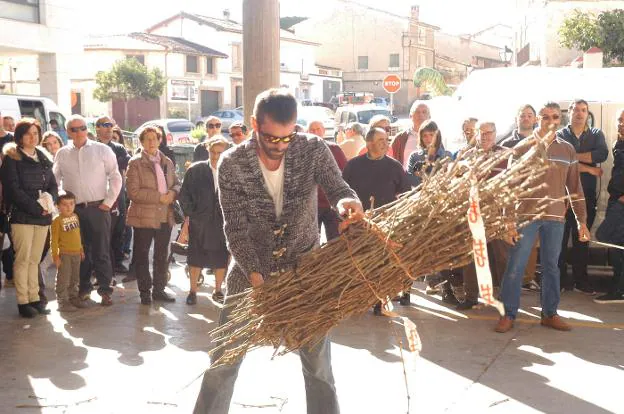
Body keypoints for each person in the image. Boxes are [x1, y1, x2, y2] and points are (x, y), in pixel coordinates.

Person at [193, 88, 362, 414]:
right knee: (222, 362)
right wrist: (258, 277)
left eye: (288, 137)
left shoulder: (313, 150)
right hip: (248, 273)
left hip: (305, 272)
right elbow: (235, 230)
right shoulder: (232, 162)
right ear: (254, 124)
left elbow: (338, 188)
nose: (280, 147)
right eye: (271, 138)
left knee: (319, 368)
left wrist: (347, 203)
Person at [496, 102, 589, 334]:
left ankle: (550, 314)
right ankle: (508, 314)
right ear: (538, 119)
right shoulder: (522, 148)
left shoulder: (567, 150)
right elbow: (508, 186)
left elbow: (575, 188)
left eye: (555, 117)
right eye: (545, 116)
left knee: (551, 267)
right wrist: (507, 220)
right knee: (516, 266)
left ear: (560, 120)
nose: (550, 121)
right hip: (526, 216)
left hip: (555, 218)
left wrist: (582, 221)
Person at [53, 114, 122, 306]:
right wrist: (62, 201)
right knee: (77, 251)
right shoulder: (62, 153)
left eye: (82, 128)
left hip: (98, 208)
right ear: (68, 132)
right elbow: (55, 179)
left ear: (87, 129)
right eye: (74, 129)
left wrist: (108, 202)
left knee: (101, 250)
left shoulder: (102, 150)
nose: (79, 132)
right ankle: (83, 288)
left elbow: (116, 176)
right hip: (73, 212)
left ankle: (105, 290)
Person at [343, 126, 411, 315]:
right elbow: (342, 191)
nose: (385, 144)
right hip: (358, 224)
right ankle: (358, 300)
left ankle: (380, 302)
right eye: (381, 140)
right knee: (358, 263)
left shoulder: (394, 166)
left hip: (385, 225)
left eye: (387, 140)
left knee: (381, 265)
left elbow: (405, 192)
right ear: (369, 142)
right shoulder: (353, 165)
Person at [1, 118, 58, 317]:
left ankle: (35, 299)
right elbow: (13, 190)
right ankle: (23, 301)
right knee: (23, 260)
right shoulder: (12, 157)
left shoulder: (43, 156)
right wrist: (36, 207)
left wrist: (50, 201)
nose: (32, 137)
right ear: (19, 136)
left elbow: (52, 184)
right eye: (28, 134)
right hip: (22, 217)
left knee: (35, 260)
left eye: (35, 133)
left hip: (43, 216)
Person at [456, 122, 511, 310]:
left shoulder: (505, 154)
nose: (486, 136)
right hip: (474, 213)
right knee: (472, 256)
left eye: (489, 133)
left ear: (495, 134)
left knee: (502, 256)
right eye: (482, 133)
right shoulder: (468, 155)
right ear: (477, 135)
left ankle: (506, 297)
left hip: (497, 213)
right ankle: (471, 296)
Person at [557, 99, 608, 294]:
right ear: (569, 113)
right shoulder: (560, 134)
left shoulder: (596, 134)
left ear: (587, 114)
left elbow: (601, 155)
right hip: (562, 198)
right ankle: (560, 281)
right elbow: (560, 161)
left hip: (586, 198)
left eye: (583, 110)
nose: (579, 113)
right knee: (559, 242)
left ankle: (580, 281)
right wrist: (588, 168)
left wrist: (572, 156)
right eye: (576, 110)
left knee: (582, 241)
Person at [126, 126, 180, 304]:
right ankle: (144, 291)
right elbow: (133, 192)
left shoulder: (167, 162)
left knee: (161, 255)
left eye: (154, 138)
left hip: (165, 215)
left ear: (159, 141)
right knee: (142, 255)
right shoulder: (135, 163)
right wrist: (159, 197)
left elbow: (177, 184)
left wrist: (172, 194)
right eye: (147, 139)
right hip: (144, 217)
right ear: (141, 142)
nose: (151, 142)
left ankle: (159, 289)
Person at [179, 136, 231, 305]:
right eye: (213, 152)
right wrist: (193, 214)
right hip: (200, 222)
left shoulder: (231, 171)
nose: (216, 156)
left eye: (220, 153)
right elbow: (184, 195)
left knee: (221, 257)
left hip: (222, 223)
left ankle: (218, 290)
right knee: (195, 257)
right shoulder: (196, 170)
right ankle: (193, 291)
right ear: (208, 151)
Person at [594, 109, 624, 304]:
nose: (621, 123)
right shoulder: (618, 143)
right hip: (615, 199)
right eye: (620, 120)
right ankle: (618, 288)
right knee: (617, 245)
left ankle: (618, 290)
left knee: (606, 237)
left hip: (621, 202)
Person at [95, 116, 131, 275]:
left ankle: (117, 261)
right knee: (100, 231)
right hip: (98, 194)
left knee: (118, 229)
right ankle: (99, 266)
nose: (109, 128)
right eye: (105, 125)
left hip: (118, 195)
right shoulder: (91, 148)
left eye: (112, 125)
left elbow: (121, 168)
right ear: (97, 128)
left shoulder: (119, 148)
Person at [308, 121, 348, 242]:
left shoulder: (334, 149)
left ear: (324, 131)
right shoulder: (304, 152)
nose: (315, 132)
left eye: (318, 129)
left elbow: (345, 172)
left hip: (332, 204)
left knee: (335, 240)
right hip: (313, 205)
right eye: (312, 130)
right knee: (312, 242)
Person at [50, 191, 85, 312]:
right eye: (65, 204)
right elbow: (53, 240)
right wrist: (55, 256)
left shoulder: (75, 216)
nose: (69, 207)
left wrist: (81, 249)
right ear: (57, 206)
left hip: (76, 253)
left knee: (75, 278)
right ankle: (62, 301)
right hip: (65, 254)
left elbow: (77, 235)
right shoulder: (57, 221)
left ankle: (73, 297)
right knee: (63, 278)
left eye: (71, 204)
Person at [406, 120, 452, 188]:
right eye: (425, 136)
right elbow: (410, 179)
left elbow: (450, 178)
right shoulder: (414, 157)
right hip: (420, 195)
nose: (428, 139)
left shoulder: (446, 156)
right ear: (421, 138)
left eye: (431, 135)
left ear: (437, 136)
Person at [390, 102, 430, 167]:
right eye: (417, 112)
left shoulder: (435, 138)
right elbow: (390, 161)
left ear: (429, 117)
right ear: (410, 116)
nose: (421, 115)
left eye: (424, 112)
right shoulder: (400, 138)